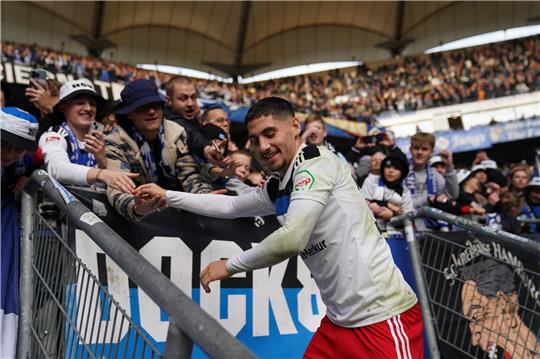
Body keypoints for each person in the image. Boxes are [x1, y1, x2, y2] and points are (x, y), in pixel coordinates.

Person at [134, 97, 423, 358]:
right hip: (338, 323)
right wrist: (168, 195)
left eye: (270, 134)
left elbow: (292, 239)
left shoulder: (316, 163)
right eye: (255, 139)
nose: (263, 147)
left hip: (383, 318)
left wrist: (230, 265)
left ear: (295, 126)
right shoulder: (280, 182)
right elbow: (232, 207)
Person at [105, 79, 214, 220]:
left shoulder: (176, 132)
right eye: (142, 107)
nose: (151, 111)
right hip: (136, 223)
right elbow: (117, 186)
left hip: (177, 215)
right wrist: (136, 208)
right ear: (129, 114)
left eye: (155, 105)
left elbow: (190, 175)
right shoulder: (115, 141)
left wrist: (205, 197)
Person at [38, 79, 138, 192]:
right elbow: (57, 169)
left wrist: (103, 161)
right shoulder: (53, 135)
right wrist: (101, 174)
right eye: (80, 102)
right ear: (63, 108)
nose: (88, 108)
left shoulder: (105, 138)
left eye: (92, 104)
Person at [1, 107, 42, 358]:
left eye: (19, 147)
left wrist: (31, 178)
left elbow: (42, 160)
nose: (12, 153)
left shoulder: (25, 159)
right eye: (5, 143)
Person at [164, 76, 222, 163]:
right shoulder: (169, 119)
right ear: (168, 101)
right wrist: (206, 148)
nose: (190, 103)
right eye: (183, 98)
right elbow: (190, 133)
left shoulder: (191, 117)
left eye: (193, 97)